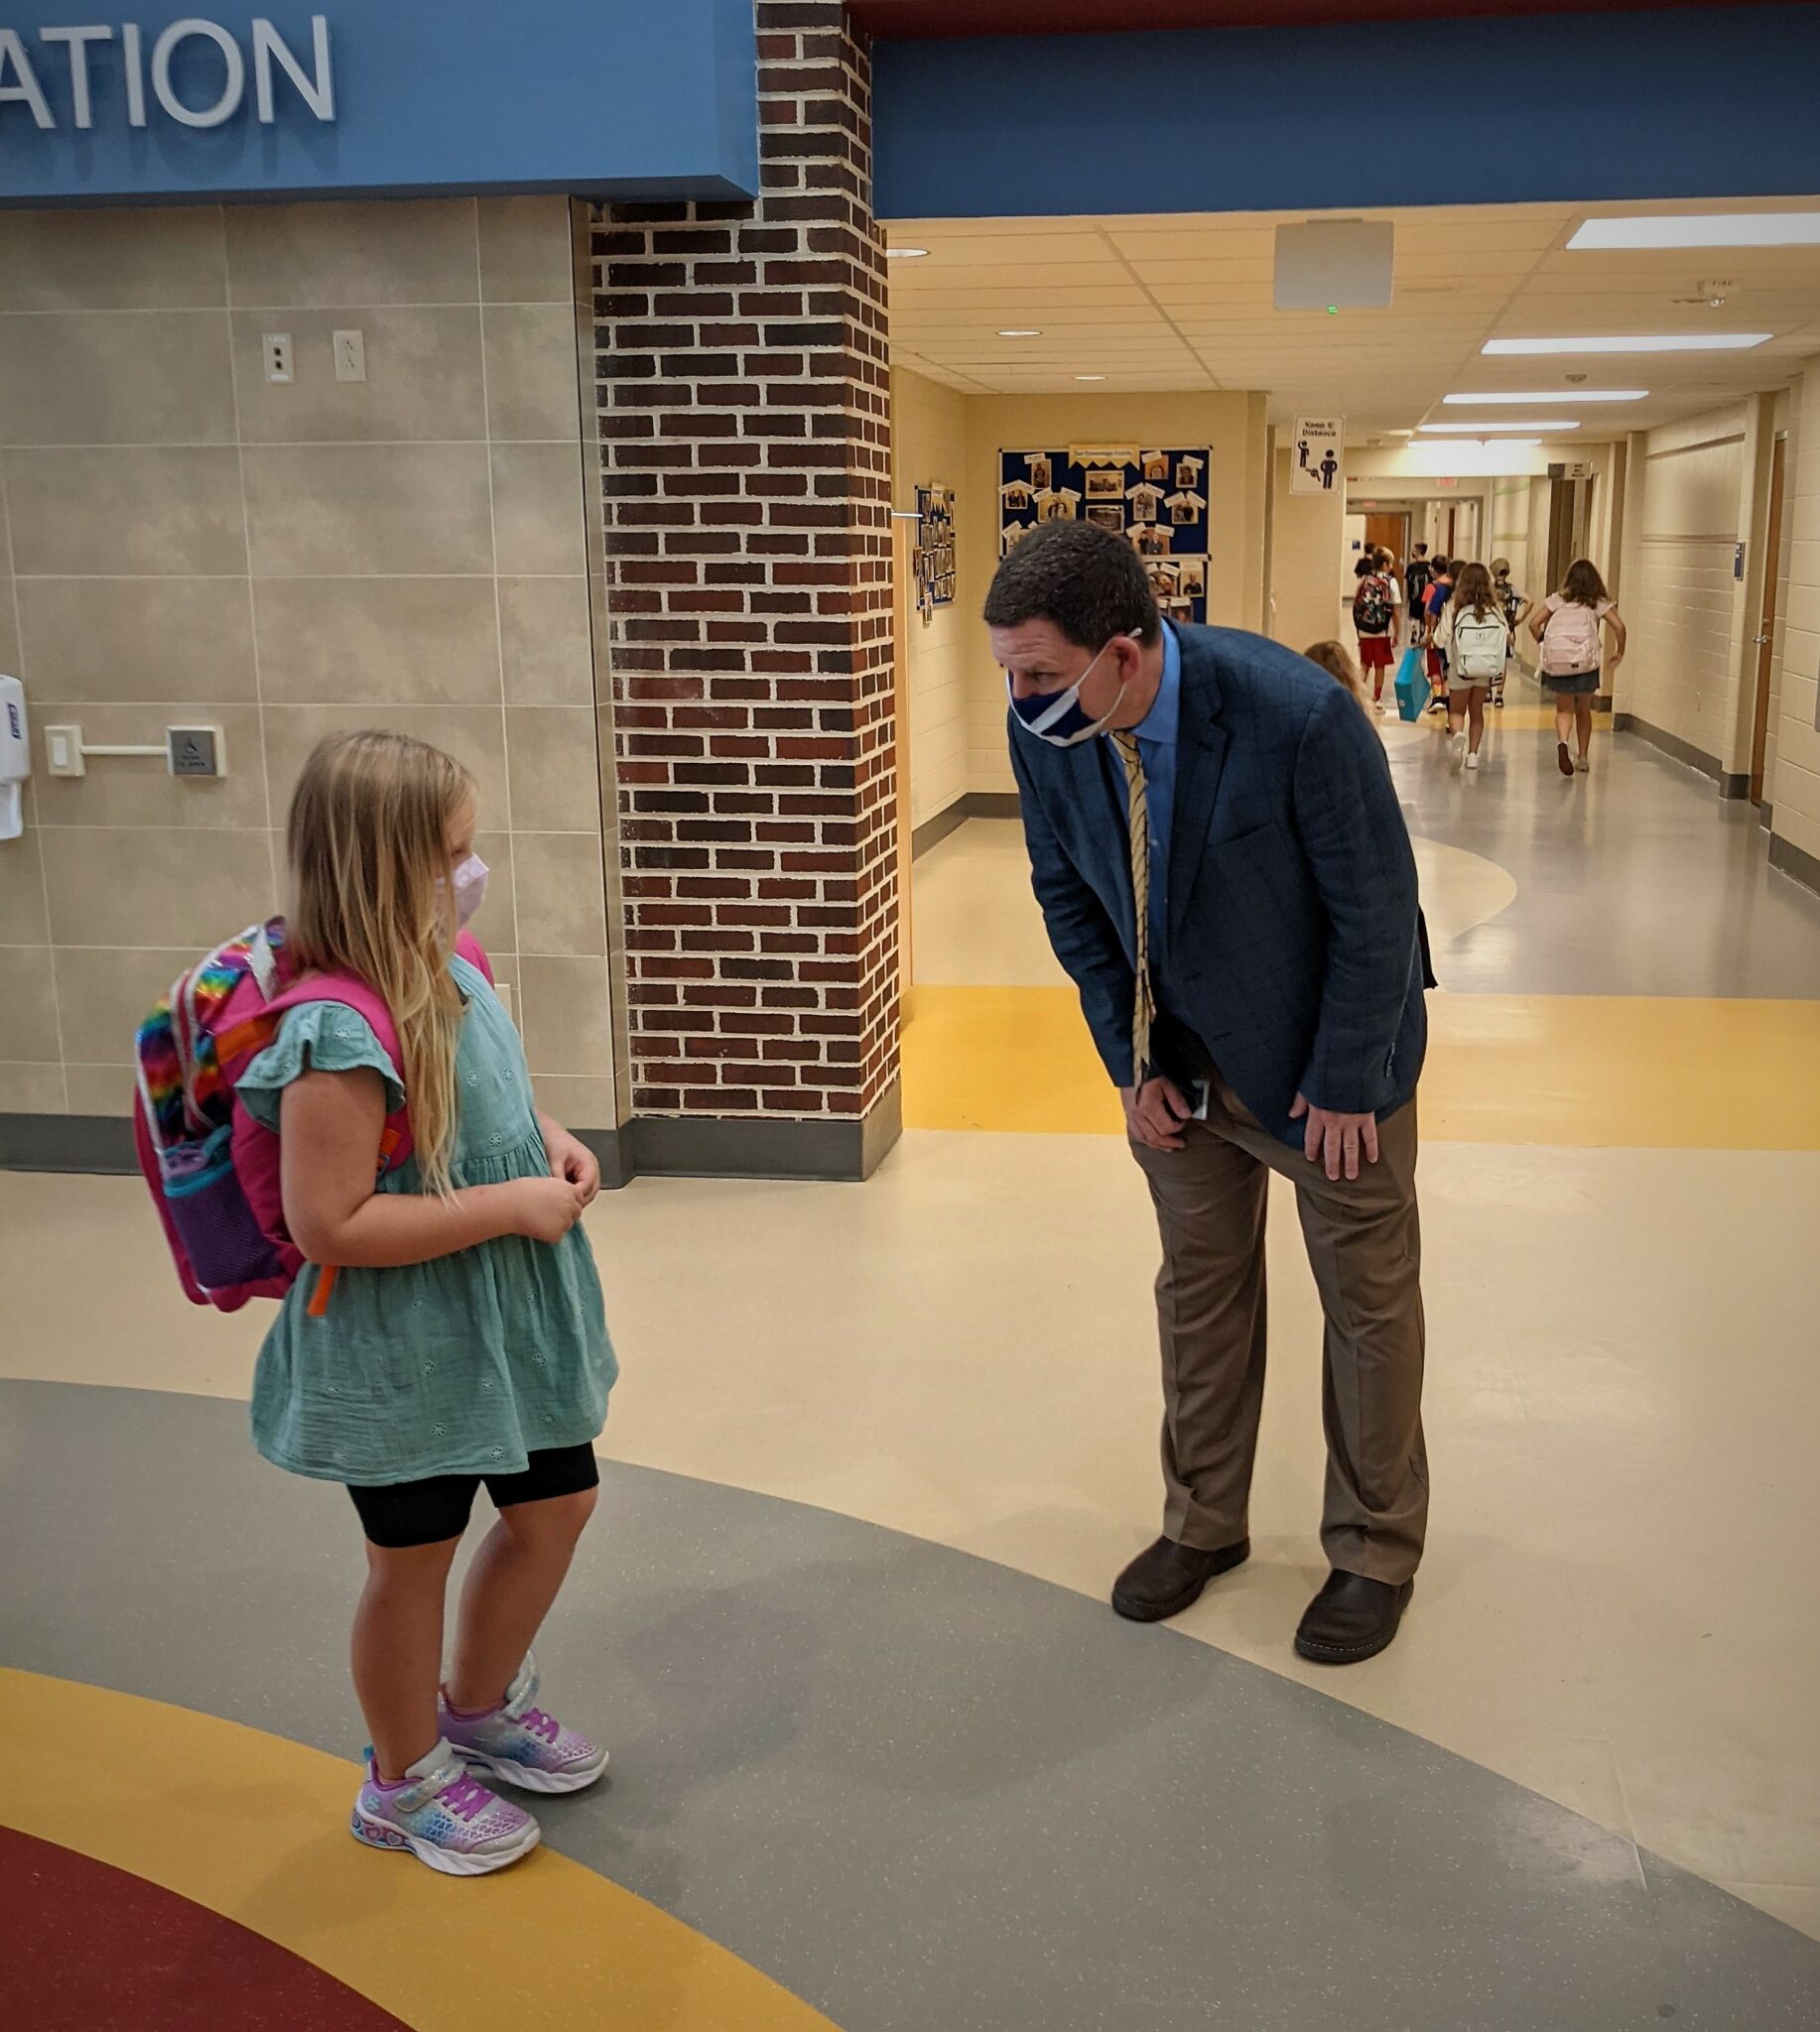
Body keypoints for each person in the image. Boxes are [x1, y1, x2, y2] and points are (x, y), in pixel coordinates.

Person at [989, 520, 1430, 1666]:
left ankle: (1374, 1548)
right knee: (1198, 1293)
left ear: (1123, 652)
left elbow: (1376, 913)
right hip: (1179, 1064)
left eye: (1038, 670)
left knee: (1366, 1309)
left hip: (1326, 1061)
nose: (1020, 695)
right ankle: (1202, 1523)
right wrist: (1130, 1062)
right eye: (1008, 671)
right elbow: (1067, 898)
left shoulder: (1297, 715)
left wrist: (1345, 1082)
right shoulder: (1049, 726)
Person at [239, 729, 618, 1875]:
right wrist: (510, 1206)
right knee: (414, 1556)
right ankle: (400, 1780)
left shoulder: (452, 960)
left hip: (504, 1325)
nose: (473, 869)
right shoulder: (336, 1030)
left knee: (557, 1504)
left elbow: (492, 1102)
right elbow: (332, 1223)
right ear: (381, 864)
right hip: (404, 1344)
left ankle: (477, 1702)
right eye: (453, 851)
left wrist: (547, 1142)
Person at [1529, 558, 1626, 776]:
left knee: (1564, 709)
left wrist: (1544, 644)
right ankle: (1582, 757)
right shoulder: (1598, 602)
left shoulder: (1557, 600)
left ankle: (1563, 743)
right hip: (1585, 664)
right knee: (1583, 710)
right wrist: (1619, 652)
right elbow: (1619, 627)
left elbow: (1533, 623)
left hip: (1559, 662)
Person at [1429, 561, 1508, 771]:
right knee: (1476, 711)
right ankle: (1473, 755)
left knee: (1456, 710)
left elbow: (1439, 639)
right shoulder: (1495, 610)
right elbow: (1506, 636)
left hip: (1459, 668)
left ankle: (1457, 736)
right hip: (1485, 669)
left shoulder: (1454, 607)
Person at [1350, 555, 1399, 711]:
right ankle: (1376, 698)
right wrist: (1396, 632)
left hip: (1364, 631)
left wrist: (1359, 629)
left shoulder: (1364, 581)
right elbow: (1395, 611)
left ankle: (1357, 695)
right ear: (1385, 564)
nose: (1391, 566)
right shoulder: (1390, 582)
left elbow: (1355, 606)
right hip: (1381, 632)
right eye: (1390, 563)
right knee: (1380, 665)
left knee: (1364, 664)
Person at [1490, 557, 1531, 708]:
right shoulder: (1512, 589)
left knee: (1489, 659)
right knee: (1502, 662)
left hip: (1490, 629)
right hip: (1508, 628)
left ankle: (1488, 691)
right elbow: (1529, 601)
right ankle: (1499, 695)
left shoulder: (1489, 588)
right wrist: (1521, 618)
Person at [1422, 557, 1456, 713]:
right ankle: (1446, 697)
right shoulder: (1459, 590)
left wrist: (1429, 630)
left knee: (1435, 667)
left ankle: (1437, 698)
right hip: (1454, 637)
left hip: (1438, 634)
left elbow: (1428, 610)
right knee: (1449, 669)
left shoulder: (1434, 587)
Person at [1404, 543, 1432, 641]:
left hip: (1414, 596)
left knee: (1413, 616)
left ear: (1419, 551)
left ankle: (1413, 632)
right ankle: (1422, 632)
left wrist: (1406, 598)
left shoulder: (1411, 567)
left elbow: (1408, 584)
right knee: (1423, 616)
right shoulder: (1429, 566)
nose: (1412, 552)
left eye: (1414, 550)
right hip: (1426, 596)